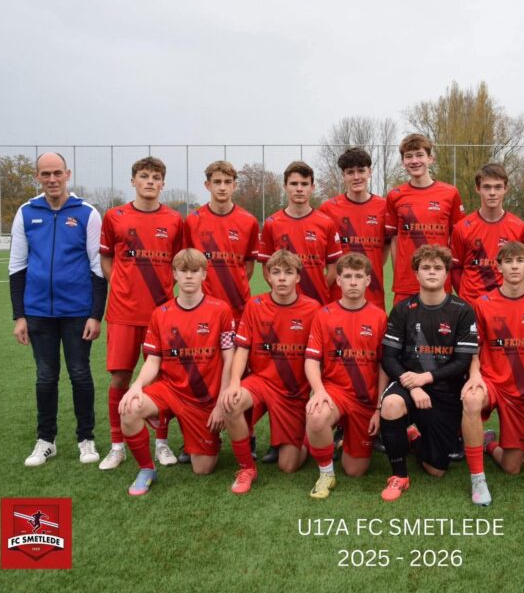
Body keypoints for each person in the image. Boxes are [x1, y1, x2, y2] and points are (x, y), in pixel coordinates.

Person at [10, 152, 106, 467]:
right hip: (38, 312)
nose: (52, 179)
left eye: (57, 173)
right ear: (37, 177)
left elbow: (97, 267)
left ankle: (86, 438)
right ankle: (46, 440)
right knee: (45, 376)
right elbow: (17, 267)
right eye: (45, 174)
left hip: (77, 312)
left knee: (80, 374)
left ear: (67, 174)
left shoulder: (87, 213)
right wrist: (19, 315)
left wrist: (95, 314)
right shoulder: (26, 212)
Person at [118, 249, 235, 495]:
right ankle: (146, 469)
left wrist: (220, 404)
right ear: (174, 274)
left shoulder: (221, 310)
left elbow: (229, 358)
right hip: (170, 391)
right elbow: (153, 360)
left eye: (194, 271)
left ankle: (201, 438)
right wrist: (137, 385)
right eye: (183, 271)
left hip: (203, 399)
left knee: (203, 469)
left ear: (204, 274)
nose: (189, 276)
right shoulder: (160, 314)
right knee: (129, 408)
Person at [98, 156, 183, 470]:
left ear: (163, 183)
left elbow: (179, 264)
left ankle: (162, 443)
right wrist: (121, 285)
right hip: (123, 313)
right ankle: (117, 445)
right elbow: (106, 259)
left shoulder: (175, 219)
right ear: (133, 181)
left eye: (156, 177)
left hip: (161, 315)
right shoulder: (114, 216)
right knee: (121, 376)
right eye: (144, 176)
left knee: (162, 378)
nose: (150, 181)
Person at [215, 250, 321, 494]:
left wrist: (317, 390)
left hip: (293, 392)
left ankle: (306, 437)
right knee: (231, 402)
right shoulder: (255, 305)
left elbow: (318, 357)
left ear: (298, 277)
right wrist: (234, 383)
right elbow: (242, 349)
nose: (282, 278)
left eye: (288, 272)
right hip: (261, 381)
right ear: (268, 277)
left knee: (288, 466)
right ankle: (246, 468)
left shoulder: (313, 309)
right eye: (276, 272)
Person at [378, 245, 478, 502]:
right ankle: (399, 475)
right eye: (425, 267)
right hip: (409, 384)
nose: (431, 272)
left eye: (437, 268)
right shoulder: (403, 309)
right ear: (416, 273)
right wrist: (413, 386)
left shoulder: (462, 310)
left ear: (446, 273)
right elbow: (388, 358)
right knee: (391, 404)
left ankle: (412, 437)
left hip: (445, 390)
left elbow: (463, 361)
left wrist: (426, 378)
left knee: (436, 470)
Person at [460, 242, 524, 506]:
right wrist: (475, 376)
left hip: (522, 391)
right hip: (491, 382)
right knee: (471, 399)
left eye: (519, 261)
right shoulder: (483, 304)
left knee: (512, 466)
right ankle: (477, 478)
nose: (514, 266)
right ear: (499, 267)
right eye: (508, 261)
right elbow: (475, 348)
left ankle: (489, 444)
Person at [304, 253, 388, 499]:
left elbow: (383, 365)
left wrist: (378, 407)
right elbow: (311, 360)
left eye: (358, 276)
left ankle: (342, 439)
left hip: (365, 399)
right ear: (338, 280)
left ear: (367, 280)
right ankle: (326, 473)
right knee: (317, 416)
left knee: (355, 470)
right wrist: (319, 391)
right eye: (348, 276)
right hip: (335, 392)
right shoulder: (324, 314)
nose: (353, 282)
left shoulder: (379, 317)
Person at [385, 134, 465, 305]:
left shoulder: (450, 193)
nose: (414, 161)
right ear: (403, 162)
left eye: (419, 155)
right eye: (408, 156)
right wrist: (400, 275)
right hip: (406, 285)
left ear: (430, 158)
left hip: (439, 282)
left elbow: (457, 239)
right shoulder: (394, 195)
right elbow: (394, 239)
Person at [185, 160, 260, 322]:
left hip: (238, 306)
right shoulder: (192, 220)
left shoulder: (249, 221)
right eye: (217, 182)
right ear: (207, 185)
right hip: (201, 306)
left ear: (235, 185)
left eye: (227, 182)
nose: (222, 187)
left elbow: (248, 268)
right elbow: (187, 264)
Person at [257, 161, 342, 306]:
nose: (299, 189)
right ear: (285, 187)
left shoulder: (326, 223)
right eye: (294, 184)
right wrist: (285, 294)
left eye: (304, 184)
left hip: (318, 304)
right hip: (284, 305)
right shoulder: (272, 223)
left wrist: (318, 291)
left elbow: (334, 268)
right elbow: (266, 268)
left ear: (312, 188)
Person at [319, 148, 390, 309]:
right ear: (343, 176)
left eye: (361, 171)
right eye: (350, 172)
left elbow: (385, 248)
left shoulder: (384, 207)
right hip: (337, 296)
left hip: (373, 294)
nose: (356, 177)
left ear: (370, 172)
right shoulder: (328, 209)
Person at [450, 163, 524, 301]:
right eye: (486, 187)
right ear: (478, 188)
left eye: (498, 187)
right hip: (472, 304)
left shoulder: (519, 227)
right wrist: (466, 300)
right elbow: (455, 269)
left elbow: (521, 269)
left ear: (506, 189)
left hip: (504, 304)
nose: (492, 192)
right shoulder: (462, 227)